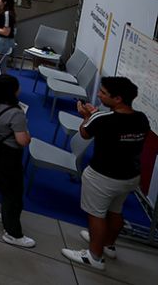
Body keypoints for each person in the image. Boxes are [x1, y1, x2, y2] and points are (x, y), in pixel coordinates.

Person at [62, 77, 150, 271]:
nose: (99, 95)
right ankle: (108, 245)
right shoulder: (142, 118)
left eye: (103, 93)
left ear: (118, 98)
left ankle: (94, 256)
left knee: (96, 215)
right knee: (115, 211)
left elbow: (84, 133)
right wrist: (95, 117)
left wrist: (86, 116)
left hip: (103, 176)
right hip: (130, 177)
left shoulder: (103, 119)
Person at [0, 74, 36, 248]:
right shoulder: (15, 113)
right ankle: (12, 233)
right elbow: (23, 141)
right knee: (12, 193)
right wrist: (28, 133)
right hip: (8, 155)